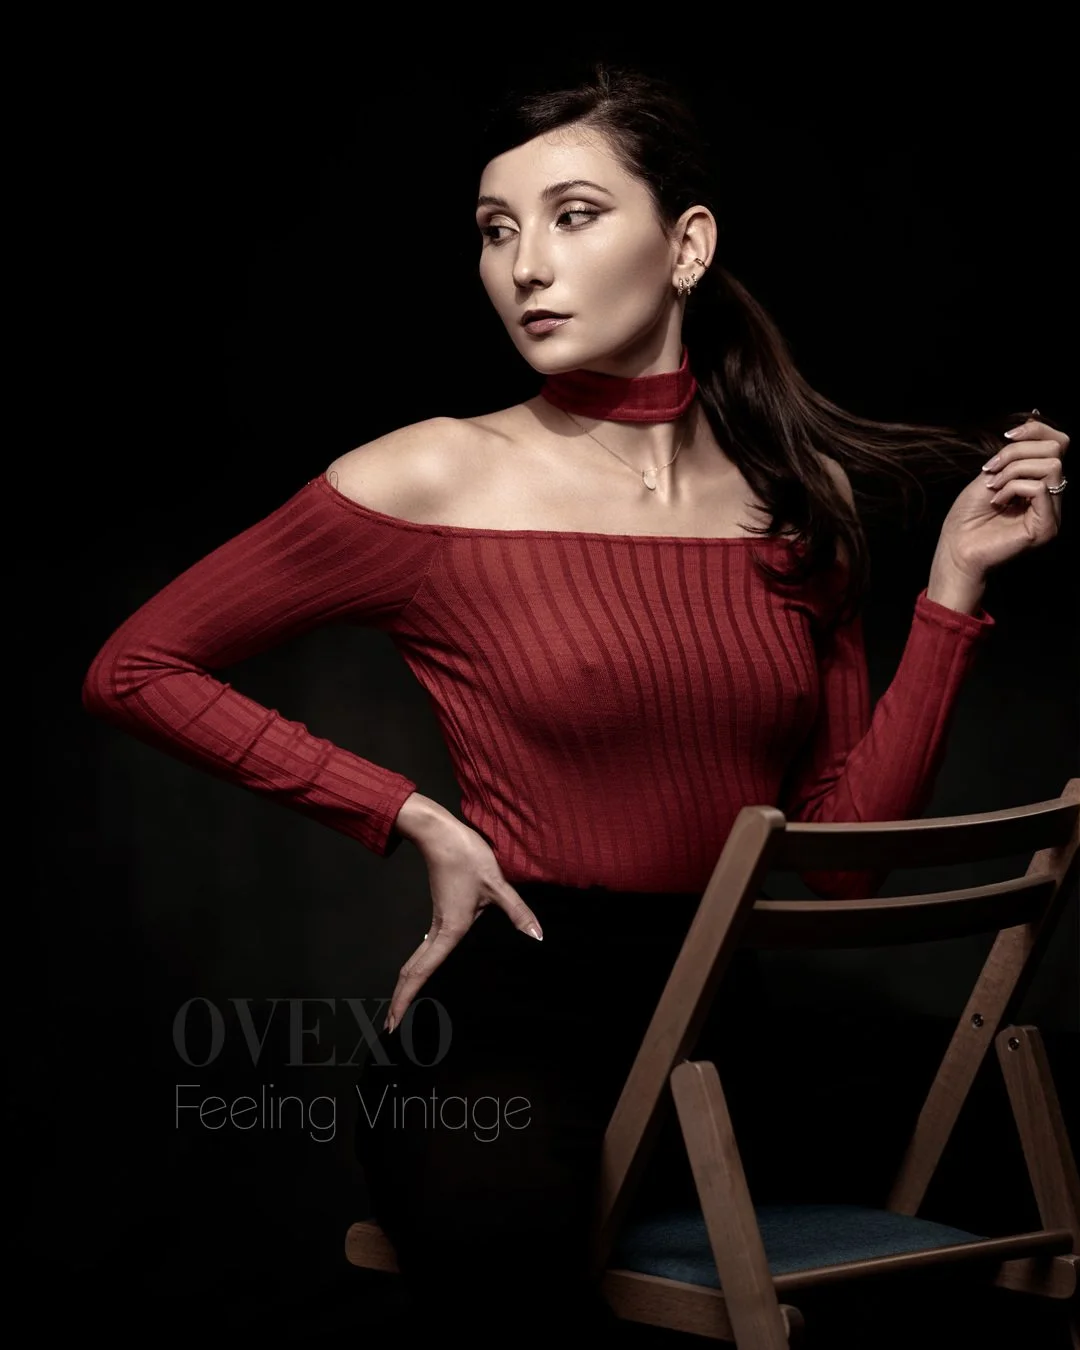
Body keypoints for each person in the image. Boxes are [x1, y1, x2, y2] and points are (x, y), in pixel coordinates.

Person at [82, 62, 1068, 1342]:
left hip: (739, 1020)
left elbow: (836, 870)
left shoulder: (800, 499)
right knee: (508, 1268)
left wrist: (950, 593)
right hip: (520, 1015)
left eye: (575, 214)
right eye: (497, 232)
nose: (525, 267)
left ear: (687, 245)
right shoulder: (434, 471)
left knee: (1006, 1189)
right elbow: (136, 667)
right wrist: (410, 815)